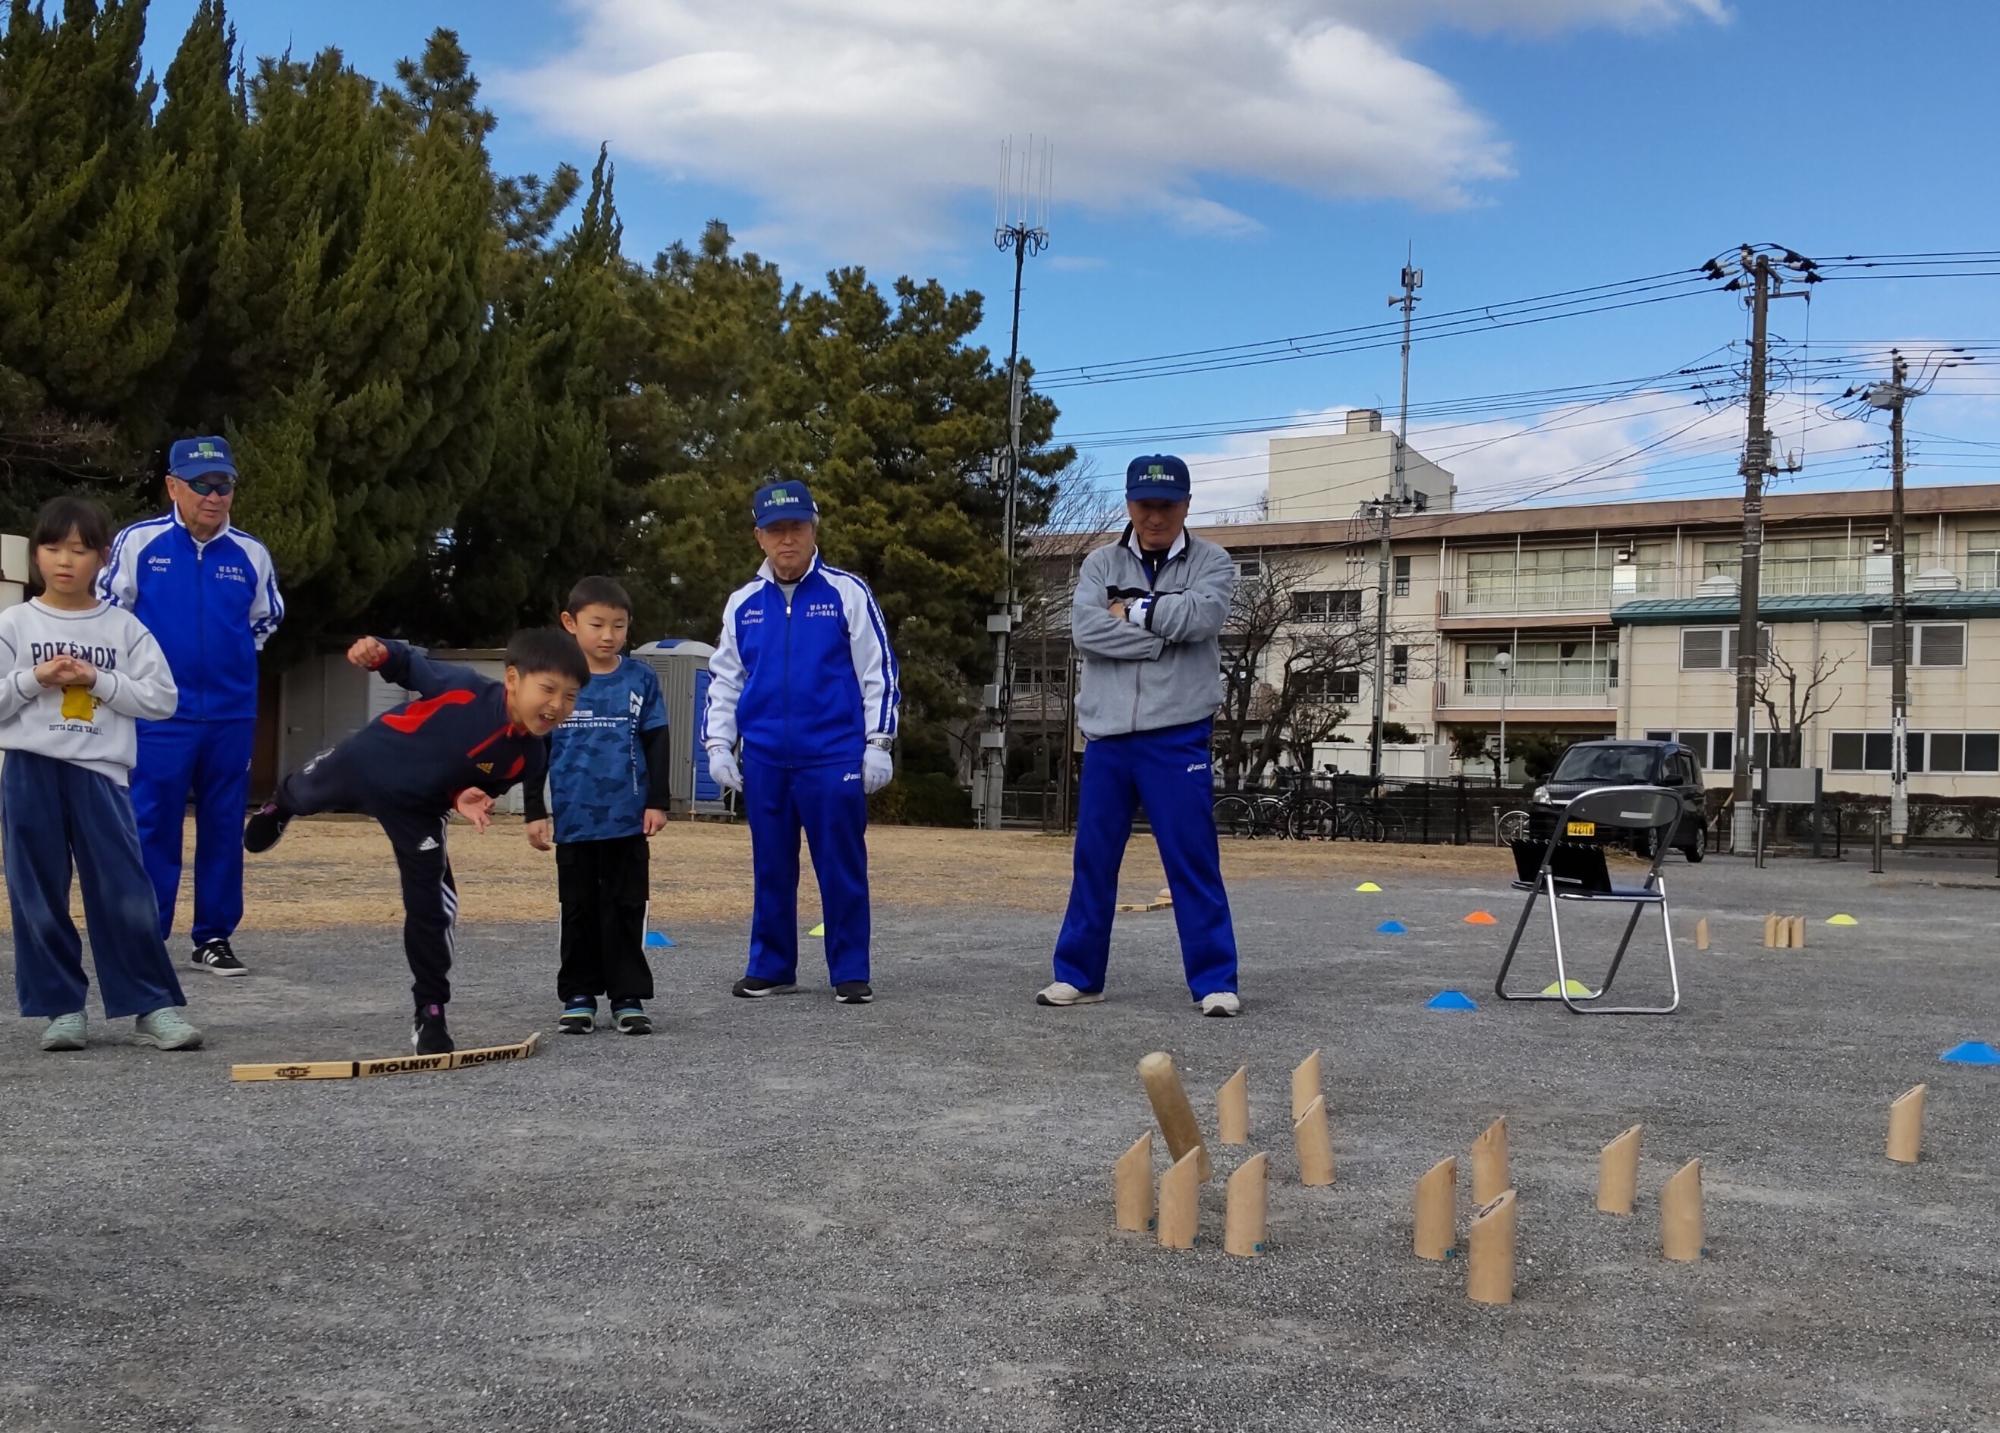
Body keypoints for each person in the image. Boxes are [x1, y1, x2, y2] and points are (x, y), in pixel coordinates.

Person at [242, 630, 585, 1054]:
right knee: (303, 792)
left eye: (570, 697)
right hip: (367, 763)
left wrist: (463, 798)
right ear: (513, 679)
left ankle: (430, 1011)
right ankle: (279, 808)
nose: (557, 706)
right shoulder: (466, 689)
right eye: (548, 689)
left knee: (432, 907)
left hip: (418, 810)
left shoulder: (529, 756)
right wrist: (380, 652)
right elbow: (410, 665)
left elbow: (469, 783)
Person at [1037, 454, 1243, 1017]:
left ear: (1186, 505)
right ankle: (1079, 975)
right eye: (1146, 505)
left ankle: (1214, 981)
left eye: (1167, 505)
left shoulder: (1214, 561)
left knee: (1192, 859)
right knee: (1093, 859)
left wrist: (1130, 612)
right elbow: (1085, 629)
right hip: (1106, 736)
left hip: (1177, 735)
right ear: (1129, 504)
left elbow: (1203, 619)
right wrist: (1157, 634)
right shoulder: (1100, 563)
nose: (1156, 517)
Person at [1, 496, 203, 1052]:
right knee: (36, 890)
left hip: (101, 771)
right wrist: (34, 678)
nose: (65, 560)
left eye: (80, 549)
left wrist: (98, 680)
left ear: (103, 558)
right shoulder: (14, 623)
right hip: (27, 768)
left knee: (123, 889)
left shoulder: (123, 627)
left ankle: (150, 1006)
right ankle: (62, 1009)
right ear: (35, 554)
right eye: (52, 547)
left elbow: (162, 700)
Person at [700, 478, 900, 1005]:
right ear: (758, 537)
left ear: (813, 530)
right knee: (771, 865)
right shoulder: (743, 603)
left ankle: (850, 969)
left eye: (797, 528)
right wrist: (719, 745)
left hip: (833, 754)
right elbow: (725, 679)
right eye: (775, 530)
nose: (787, 540)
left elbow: (877, 671)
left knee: (841, 864)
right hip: (765, 757)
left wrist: (878, 742)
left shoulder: (846, 592)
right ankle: (771, 965)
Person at [101, 436, 284, 978]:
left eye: (223, 484)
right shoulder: (139, 542)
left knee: (225, 823)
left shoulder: (251, 553)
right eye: (201, 484)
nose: (214, 495)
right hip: (158, 713)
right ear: (173, 487)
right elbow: (113, 612)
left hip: (230, 714)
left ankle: (214, 937)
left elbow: (265, 619)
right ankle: (146, 934)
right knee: (152, 822)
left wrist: (226, 664)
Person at [534, 576, 670, 1036]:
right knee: (578, 909)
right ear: (570, 624)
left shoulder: (641, 678)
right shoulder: (556, 681)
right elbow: (537, 747)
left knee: (626, 907)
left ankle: (627, 997)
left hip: (627, 820)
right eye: (597, 624)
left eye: (618, 625)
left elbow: (656, 739)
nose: (608, 635)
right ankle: (578, 995)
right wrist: (535, 808)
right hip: (574, 820)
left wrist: (657, 800)